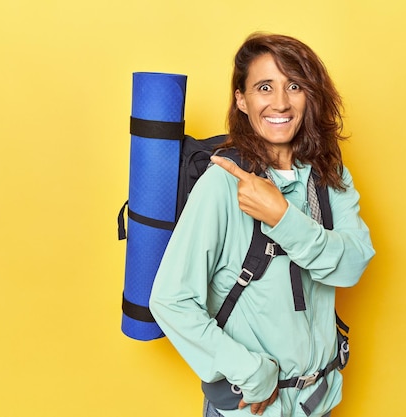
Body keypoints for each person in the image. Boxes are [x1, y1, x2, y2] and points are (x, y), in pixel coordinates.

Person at [149, 33, 375, 417]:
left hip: (318, 404)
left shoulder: (328, 176)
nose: (281, 103)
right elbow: (170, 300)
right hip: (253, 409)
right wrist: (250, 372)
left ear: (310, 95)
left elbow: (354, 265)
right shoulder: (222, 183)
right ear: (242, 99)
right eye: (264, 87)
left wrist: (282, 218)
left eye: (294, 85)